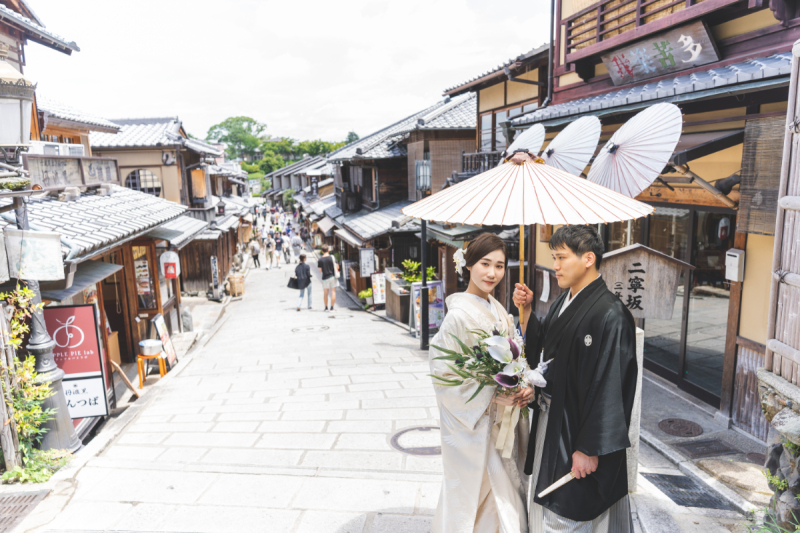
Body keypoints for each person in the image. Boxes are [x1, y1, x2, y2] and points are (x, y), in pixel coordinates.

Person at [513, 225, 638, 533]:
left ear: (588, 259)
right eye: (554, 257)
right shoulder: (562, 302)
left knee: (570, 508)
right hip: (553, 421)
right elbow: (546, 354)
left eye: (561, 257)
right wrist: (526, 311)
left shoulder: (612, 314)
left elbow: (612, 385)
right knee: (547, 502)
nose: (555, 266)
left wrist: (590, 448)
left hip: (578, 434)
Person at [429, 233, 531, 533]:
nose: (492, 273)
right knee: (491, 496)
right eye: (485, 263)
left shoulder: (498, 309)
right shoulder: (458, 317)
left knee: (504, 491)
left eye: (500, 266)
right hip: (477, 426)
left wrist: (523, 384)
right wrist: (492, 395)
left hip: (501, 423)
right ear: (469, 265)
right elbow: (443, 375)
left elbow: (517, 353)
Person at [318, 244, 338, 312]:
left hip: (325, 278)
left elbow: (320, 270)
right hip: (332, 277)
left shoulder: (320, 259)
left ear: (322, 251)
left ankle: (326, 308)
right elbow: (337, 266)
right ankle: (332, 308)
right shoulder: (332, 257)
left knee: (326, 293)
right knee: (333, 292)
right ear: (328, 250)